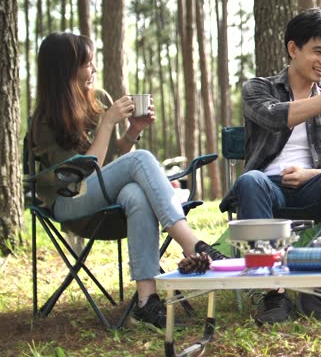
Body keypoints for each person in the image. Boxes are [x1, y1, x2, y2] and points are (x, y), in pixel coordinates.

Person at [30, 32, 227, 329]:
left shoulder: (96, 101)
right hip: (70, 204)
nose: (94, 70)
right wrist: (108, 122)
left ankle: (146, 302)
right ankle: (193, 245)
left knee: (135, 191)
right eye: (87, 63)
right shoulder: (45, 121)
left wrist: (132, 132)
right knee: (141, 160)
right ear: (65, 69)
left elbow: (115, 161)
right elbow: (84, 172)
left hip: (104, 197)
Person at [220, 8, 321, 323]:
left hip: (311, 189)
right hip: (265, 192)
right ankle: (273, 295)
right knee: (249, 181)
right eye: (317, 51)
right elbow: (277, 117)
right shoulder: (257, 89)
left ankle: (319, 279)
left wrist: (311, 174)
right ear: (294, 49)